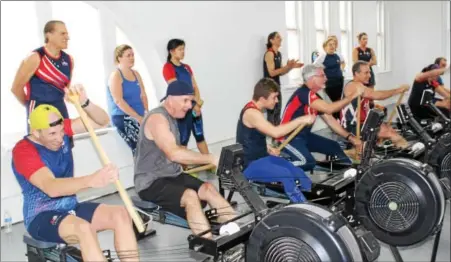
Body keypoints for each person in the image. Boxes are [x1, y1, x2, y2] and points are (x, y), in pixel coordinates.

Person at [11, 85, 138, 262]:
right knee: (83, 228)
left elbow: (102, 121)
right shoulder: (23, 151)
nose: (59, 137)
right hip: (41, 216)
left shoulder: (60, 129)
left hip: (70, 207)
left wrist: (85, 103)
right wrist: (92, 180)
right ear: (36, 132)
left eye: (62, 131)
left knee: (121, 214)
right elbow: (51, 187)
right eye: (52, 134)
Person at [134, 81, 236, 239]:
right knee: (190, 196)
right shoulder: (157, 119)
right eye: (185, 100)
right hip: (150, 182)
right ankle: (208, 244)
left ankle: (237, 234)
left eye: (191, 101)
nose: (189, 105)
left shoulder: (172, 118)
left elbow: (179, 150)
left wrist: (205, 159)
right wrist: (209, 158)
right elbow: (173, 154)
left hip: (173, 176)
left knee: (208, 188)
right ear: (170, 99)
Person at [237, 78, 315, 203]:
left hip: (262, 158)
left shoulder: (256, 111)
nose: (277, 101)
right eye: (274, 97)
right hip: (249, 165)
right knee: (285, 174)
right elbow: (275, 132)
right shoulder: (251, 113)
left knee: (297, 171)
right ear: (263, 99)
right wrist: (301, 120)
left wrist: (268, 148)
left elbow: (250, 137)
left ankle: (314, 197)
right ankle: (303, 205)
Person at [279, 64, 364, 171]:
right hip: (288, 138)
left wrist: (350, 138)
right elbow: (329, 109)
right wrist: (352, 96)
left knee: (334, 147)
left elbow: (330, 119)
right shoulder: (303, 93)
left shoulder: (314, 95)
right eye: (322, 75)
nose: (326, 78)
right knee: (307, 162)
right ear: (312, 78)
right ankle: (275, 167)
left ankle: (350, 174)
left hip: (304, 136)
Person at [10, 20, 73, 131]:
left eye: (67, 34)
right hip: (38, 112)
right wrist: (30, 105)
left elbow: (65, 90)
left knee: (66, 145)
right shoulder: (35, 57)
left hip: (60, 110)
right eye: (62, 33)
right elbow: (16, 88)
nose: (67, 37)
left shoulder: (69, 60)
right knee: (41, 147)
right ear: (49, 35)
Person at [341, 61, 410, 148]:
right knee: (390, 133)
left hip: (363, 123)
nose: (369, 75)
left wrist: (374, 106)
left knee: (391, 130)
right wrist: (398, 90)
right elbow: (377, 95)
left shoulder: (361, 86)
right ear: (356, 74)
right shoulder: (354, 85)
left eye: (369, 72)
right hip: (352, 127)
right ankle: (406, 154)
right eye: (366, 72)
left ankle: (405, 153)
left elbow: (362, 104)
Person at [163, 39, 210, 159]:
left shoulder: (187, 67)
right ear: (172, 51)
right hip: (182, 109)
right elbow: (177, 89)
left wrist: (197, 103)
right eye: (180, 49)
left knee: (200, 136)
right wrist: (192, 103)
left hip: (194, 107)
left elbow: (194, 86)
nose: (183, 52)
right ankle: (183, 169)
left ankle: (210, 163)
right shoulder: (168, 67)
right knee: (183, 139)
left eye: (183, 49)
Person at [107, 44, 149, 155]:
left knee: (153, 144)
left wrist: (146, 112)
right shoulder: (115, 75)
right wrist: (137, 117)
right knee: (141, 149)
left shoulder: (136, 74)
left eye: (133, 55)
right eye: (128, 55)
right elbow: (118, 101)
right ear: (119, 58)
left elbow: (143, 95)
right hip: (123, 117)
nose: (132, 58)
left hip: (139, 116)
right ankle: (143, 172)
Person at [263, 31, 304, 126]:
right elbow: (272, 73)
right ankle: (273, 135)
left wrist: (291, 67)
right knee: (272, 112)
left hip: (276, 86)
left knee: (277, 111)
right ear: (271, 40)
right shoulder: (269, 54)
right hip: (269, 87)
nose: (280, 39)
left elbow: (281, 72)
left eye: (280, 37)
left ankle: (277, 136)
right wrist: (287, 66)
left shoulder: (279, 54)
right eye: (277, 37)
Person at [314, 38, 345, 120]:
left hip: (339, 82)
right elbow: (314, 66)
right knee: (331, 103)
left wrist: (341, 70)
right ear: (325, 47)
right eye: (330, 45)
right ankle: (334, 122)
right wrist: (321, 76)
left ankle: (339, 120)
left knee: (339, 102)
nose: (332, 46)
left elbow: (343, 62)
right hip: (330, 83)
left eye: (333, 44)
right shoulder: (323, 57)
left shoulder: (338, 55)